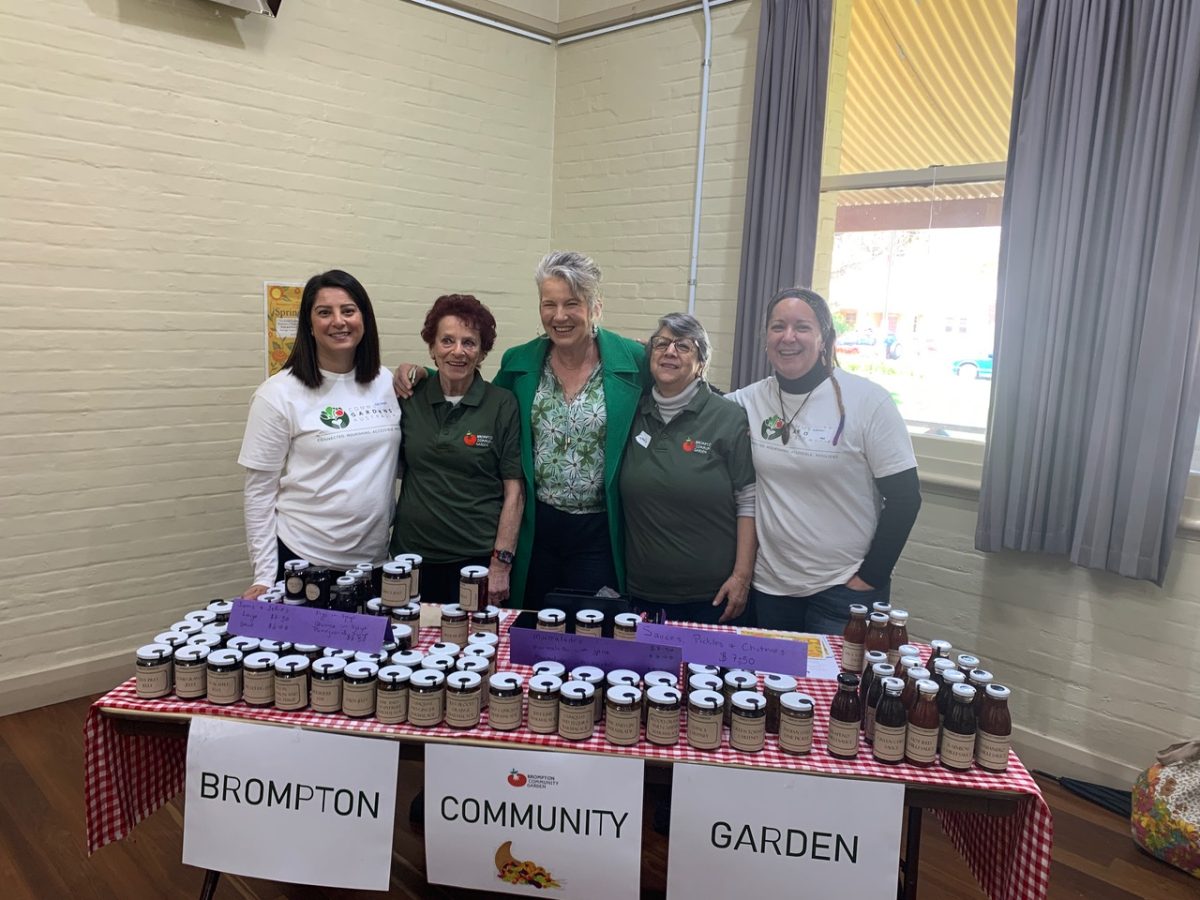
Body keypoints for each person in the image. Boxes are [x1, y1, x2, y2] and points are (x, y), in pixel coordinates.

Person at [726, 287, 921, 634]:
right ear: (765, 337)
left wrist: (870, 577)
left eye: (802, 327)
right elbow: (697, 402)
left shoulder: (868, 402)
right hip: (772, 587)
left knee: (835, 687)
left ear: (824, 337)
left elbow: (906, 498)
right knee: (774, 687)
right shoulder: (750, 400)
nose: (788, 337)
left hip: (844, 589)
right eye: (777, 326)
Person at [491, 251, 646, 608]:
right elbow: (484, 404)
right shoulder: (519, 362)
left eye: (572, 303)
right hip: (537, 527)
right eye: (549, 304)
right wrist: (426, 376)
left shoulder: (632, 361)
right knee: (531, 624)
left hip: (598, 532)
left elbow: (681, 390)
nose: (559, 316)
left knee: (588, 631)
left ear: (595, 308)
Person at [238, 269, 401, 597]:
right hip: (303, 560)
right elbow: (259, 492)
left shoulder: (387, 383)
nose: (338, 321)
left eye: (349, 310)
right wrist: (264, 575)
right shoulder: (278, 394)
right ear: (309, 325)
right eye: (324, 312)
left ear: (364, 319)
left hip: (376, 564)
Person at [620, 313, 757, 625]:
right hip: (641, 592)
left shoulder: (729, 418)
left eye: (683, 346)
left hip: (712, 596)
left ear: (701, 362)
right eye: (662, 344)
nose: (670, 352)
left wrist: (741, 577)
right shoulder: (632, 411)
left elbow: (748, 502)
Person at [388, 294, 523, 605]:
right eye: (447, 341)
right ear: (432, 348)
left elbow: (514, 493)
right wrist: (415, 370)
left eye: (469, 342)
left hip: (474, 560)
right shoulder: (411, 396)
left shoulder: (502, 404)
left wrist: (501, 564)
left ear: (483, 351)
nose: (458, 351)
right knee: (410, 644)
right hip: (411, 557)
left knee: (471, 647)